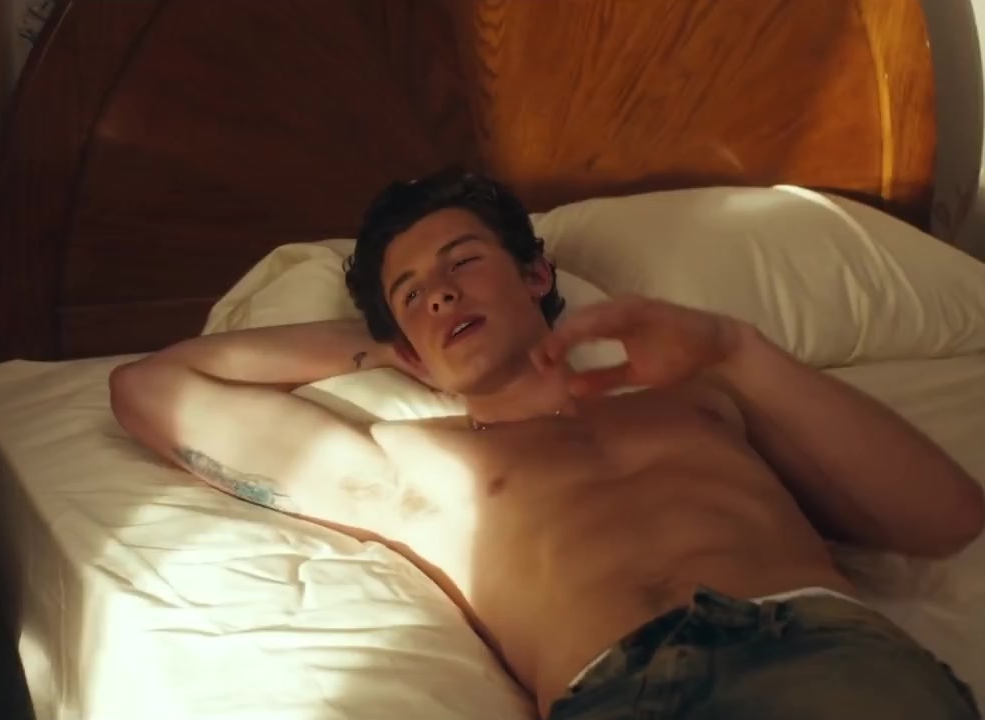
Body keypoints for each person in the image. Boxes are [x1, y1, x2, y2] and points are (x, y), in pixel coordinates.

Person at [109, 169, 984, 719]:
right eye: (410, 292)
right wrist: (378, 344)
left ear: (535, 274)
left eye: (462, 262)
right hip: (621, 691)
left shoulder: (705, 398)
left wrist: (734, 348)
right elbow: (148, 388)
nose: (440, 294)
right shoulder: (412, 467)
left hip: (824, 658)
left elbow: (945, 517)